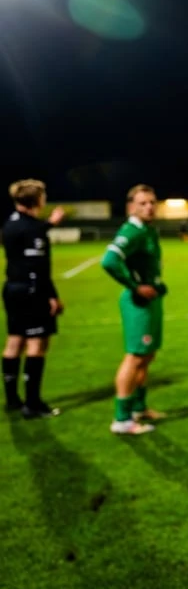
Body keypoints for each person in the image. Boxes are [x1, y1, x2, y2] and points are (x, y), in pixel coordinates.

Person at [101, 184, 168, 435]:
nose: (149, 206)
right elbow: (109, 260)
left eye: (152, 202)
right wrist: (135, 286)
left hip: (151, 300)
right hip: (137, 303)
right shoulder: (132, 231)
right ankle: (122, 419)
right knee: (135, 356)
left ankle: (139, 408)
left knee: (147, 355)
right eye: (143, 203)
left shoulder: (148, 230)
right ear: (131, 207)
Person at [2, 179, 65, 418]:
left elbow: (29, 231)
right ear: (36, 200)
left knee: (14, 341)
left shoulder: (10, 224)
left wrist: (47, 224)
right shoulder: (33, 229)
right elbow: (38, 266)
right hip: (31, 290)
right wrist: (52, 296)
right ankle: (33, 404)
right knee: (37, 343)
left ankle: (12, 399)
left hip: (12, 288)